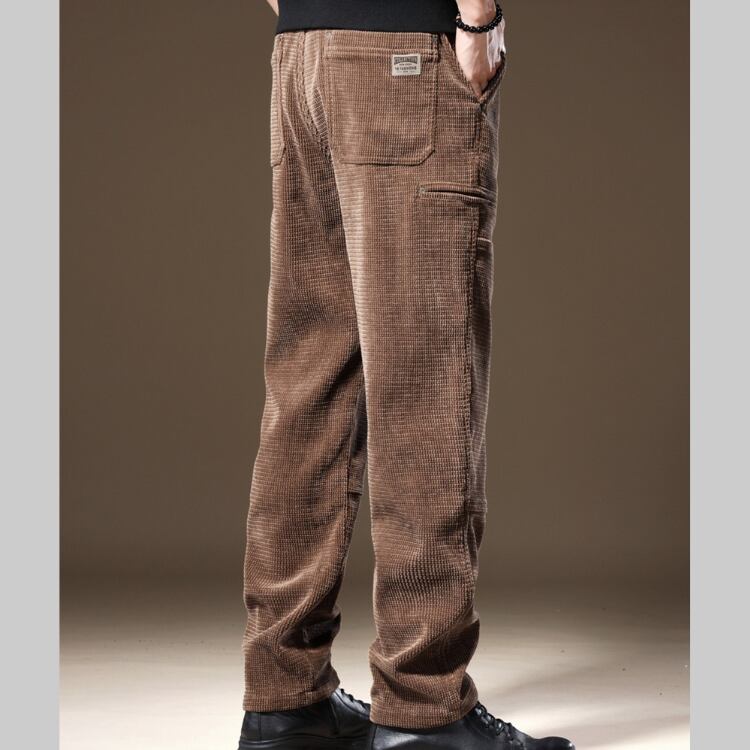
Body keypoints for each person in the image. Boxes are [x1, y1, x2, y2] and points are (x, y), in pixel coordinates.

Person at [239, 2, 574, 748]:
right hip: (404, 54)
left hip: (300, 57)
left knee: (308, 387)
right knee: (426, 385)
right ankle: (424, 709)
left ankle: (284, 701)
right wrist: (479, 23)